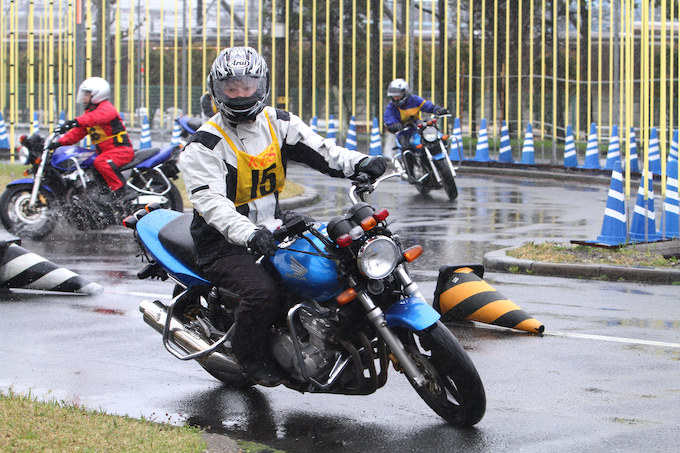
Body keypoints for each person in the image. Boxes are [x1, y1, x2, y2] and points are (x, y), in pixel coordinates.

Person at [178, 46, 386, 387]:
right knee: (263, 294)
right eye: (231, 87)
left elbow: (325, 153)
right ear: (216, 90)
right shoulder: (205, 145)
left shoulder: (279, 124)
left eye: (248, 86)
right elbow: (211, 203)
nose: (241, 94)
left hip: (273, 228)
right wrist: (246, 234)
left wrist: (360, 163)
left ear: (262, 86)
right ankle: (250, 356)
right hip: (223, 243)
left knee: (338, 262)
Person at [48, 77, 135, 205]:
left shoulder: (106, 109)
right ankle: (99, 195)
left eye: (86, 94)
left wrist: (76, 121)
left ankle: (122, 191)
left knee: (101, 162)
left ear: (97, 94)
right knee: (90, 163)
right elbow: (77, 133)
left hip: (120, 150)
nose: (83, 98)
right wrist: (58, 143)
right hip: (106, 152)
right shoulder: (90, 113)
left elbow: (96, 118)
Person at [383, 78, 449, 151]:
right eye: (394, 96)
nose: (396, 98)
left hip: (419, 128)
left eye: (398, 95)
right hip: (404, 132)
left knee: (437, 138)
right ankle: (409, 161)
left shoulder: (414, 100)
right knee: (406, 148)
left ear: (405, 92)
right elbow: (389, 119)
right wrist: (394, 125)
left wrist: (437, 109)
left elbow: (426, 106)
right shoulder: (391, 107)